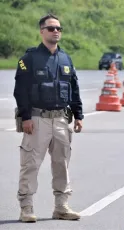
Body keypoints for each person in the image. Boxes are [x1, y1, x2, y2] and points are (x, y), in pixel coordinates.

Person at [13, 14, 84, 222]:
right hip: (37, 119)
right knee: (31, 164)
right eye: (51, 28)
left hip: (61, 119)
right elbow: (21, 90)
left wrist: (78, 115)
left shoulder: (65, 58)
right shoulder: (29, 59)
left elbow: (73, 88)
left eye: (59, 29)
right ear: (42, 31)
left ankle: (61, 206)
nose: (56, 32)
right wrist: (25, 117)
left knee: (62, 163)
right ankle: (26, 208)